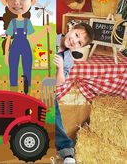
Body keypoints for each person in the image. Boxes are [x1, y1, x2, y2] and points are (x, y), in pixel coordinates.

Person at [0, 0, 49, 92]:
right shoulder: (12, 23)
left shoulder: (28, 23)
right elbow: (8, 39)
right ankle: (13, 89)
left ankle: (27, 90)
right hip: (14, 48)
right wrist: (6, 55)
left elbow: (32, 39)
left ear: (32, 1)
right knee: (13, 68)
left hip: (26, 47)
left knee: (27, 68)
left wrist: (44, 31)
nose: (17, 2)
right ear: (5, 1)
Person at [54, 23, 94, 164]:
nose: (74, 41)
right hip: (28, 80)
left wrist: (59, 68)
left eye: (79, 43)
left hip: (46, 89)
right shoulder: (50, 36)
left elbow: (59, 83)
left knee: (55, 116)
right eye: (76, 35)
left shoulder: (68, 59)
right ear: (70, 29)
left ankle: (66, 152)